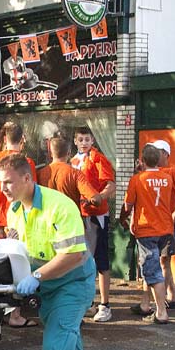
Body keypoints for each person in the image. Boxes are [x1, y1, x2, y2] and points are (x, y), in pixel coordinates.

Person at [0, 154, 99, 350]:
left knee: (56, 347)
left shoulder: (60, 206)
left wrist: (37, 277)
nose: (3, 188)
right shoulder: (14, 209)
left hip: (73, 283)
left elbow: (74, 256)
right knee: (68, 346)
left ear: (27, 179)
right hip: (48, 286)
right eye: (0, 182)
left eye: (8, 182)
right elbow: (19, 249)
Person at [0, 122, 36, 328]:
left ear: (4, 138)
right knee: (17, 267)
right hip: (14, 220)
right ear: (22, 140)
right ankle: (15, 314)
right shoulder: (27, 163)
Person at [119, 144, 173, 325]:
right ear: (158, 160)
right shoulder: (167, 178)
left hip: (146, 229)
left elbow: (128, 205)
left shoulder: (137, 180)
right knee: (156, 266)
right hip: (165, 228)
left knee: (152, 271)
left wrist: (123, 219)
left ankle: (161, 313)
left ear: (142, 161)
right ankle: (152, 307)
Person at [70, 126, 116, 322]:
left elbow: (110, 184)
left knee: (100, 259)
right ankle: (88, 302)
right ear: (75, 141)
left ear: (93, 140)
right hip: (77, 214)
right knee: (81, 260)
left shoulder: (98, 158)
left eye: (87, 139)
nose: (84, 142)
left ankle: (105, 304)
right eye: (80, 139)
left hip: (96, 215)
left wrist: (99, 197)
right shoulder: (72, 161)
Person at [143, 140, 175, 308]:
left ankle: (160, 302)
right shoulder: (149, 172)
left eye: (157, 151)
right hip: (152, 224)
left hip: (166, 224)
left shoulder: (172, 172)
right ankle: (172, 295)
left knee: (163, 260)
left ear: (165, 154)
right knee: (159, 260)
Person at [37, 136, 102, 209]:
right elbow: (96, 200)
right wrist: (89, 202)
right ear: (68, 153)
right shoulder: (75, 174)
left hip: (48, 219)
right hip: (70, 218)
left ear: (51, 154)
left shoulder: (39, 173)